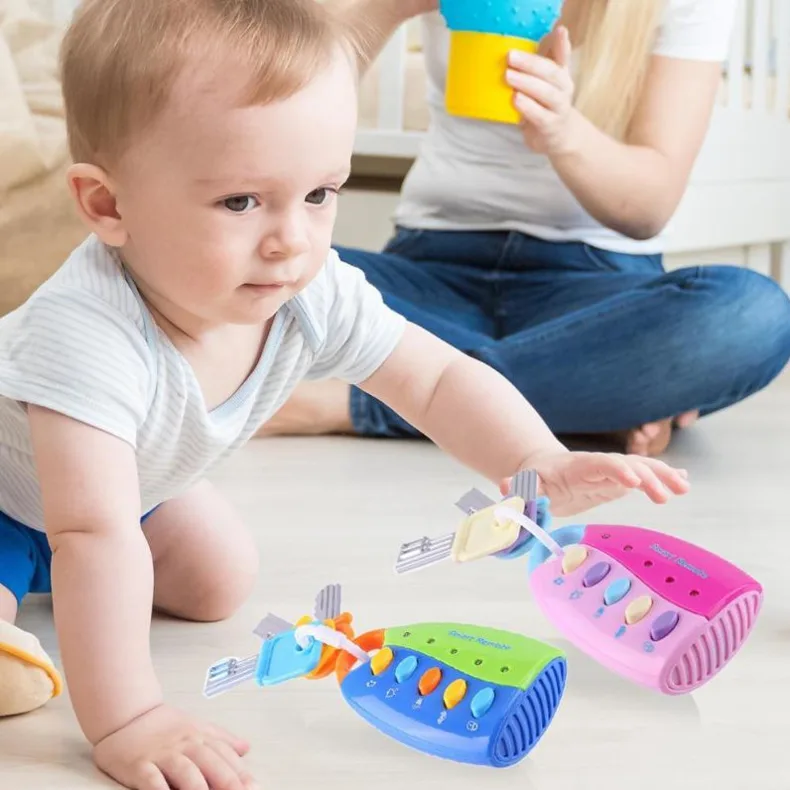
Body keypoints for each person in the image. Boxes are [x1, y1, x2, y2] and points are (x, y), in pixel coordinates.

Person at [0, 1, 690, 789]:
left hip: (131, 491)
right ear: (107, 206)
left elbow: (434, 377)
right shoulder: (85, 336)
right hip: (16, 495)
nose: (291, 240)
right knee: (81, 559)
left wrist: (534, 456)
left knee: (220, 580)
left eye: (321, 193)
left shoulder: (306, 288)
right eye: (240, 201)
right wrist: (129, 719)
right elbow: (91, 532)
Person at [261, 0, 790, 457]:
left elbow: (648, 208)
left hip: (594, 290)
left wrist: (564, 134)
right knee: (257, 266)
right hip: (431, 274)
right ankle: (580, 392)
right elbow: (281, 118)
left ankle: (357, 403)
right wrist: (384, 9)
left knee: (751, 314)